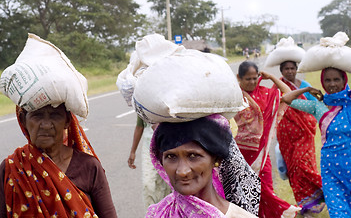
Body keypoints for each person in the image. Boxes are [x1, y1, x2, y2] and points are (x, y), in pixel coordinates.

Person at [0, 34, 117, 217]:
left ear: (68, 121)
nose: (46, 124)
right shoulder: (12, 168)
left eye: (54, 116)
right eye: (37, 116)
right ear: (23, 121)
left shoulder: (89, 167)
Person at [282, 67, 351, 218]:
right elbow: (287, 99)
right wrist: (306, 89)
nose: (332, 84)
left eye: (336, 79)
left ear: (344, 80)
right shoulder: (318, 106)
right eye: (327, 80)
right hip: (332, 172)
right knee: (340, 213)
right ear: (322, 82)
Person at [146, 114, 261, 217]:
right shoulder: (158, 213)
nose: (182, 171)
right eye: (171, 157)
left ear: (216, 159)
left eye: (193, 156)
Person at [234, 61, 300, 218]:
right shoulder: (234, 96)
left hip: (262, 155)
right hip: (240, 156)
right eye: (247, 79)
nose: (251, 82)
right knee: (244, 194)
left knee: (266, 190)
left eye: (254, 78)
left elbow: (287, 93)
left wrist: (271, 77)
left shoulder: (266, 94)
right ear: (239, 78)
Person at [275, 61, 325, 215]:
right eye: (286, 69)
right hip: (286, 134)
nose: (289, 71)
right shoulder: (278, 86)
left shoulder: (305, 85)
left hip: (305, 132)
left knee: (304, 165)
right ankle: (305, 206)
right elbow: (274, 105)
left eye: (292, 68)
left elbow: (315, 106)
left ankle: (327, 190)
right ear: (282, 71)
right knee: (294, 171)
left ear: (296, 69)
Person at [128, 115, 171, 209]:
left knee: (167, 187)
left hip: (169, 148)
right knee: (148, 185)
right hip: (149, 148)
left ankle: (165, 212)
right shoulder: (145, 103)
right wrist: (132, 151)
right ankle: (151, 214)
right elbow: (140, 126)